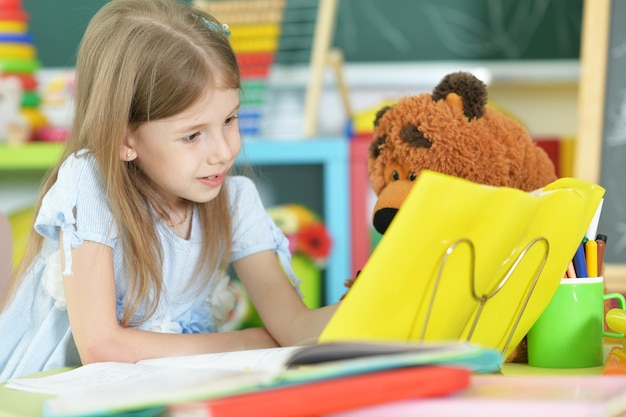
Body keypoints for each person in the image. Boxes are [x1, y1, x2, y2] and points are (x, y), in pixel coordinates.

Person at [0, 0, 337, 381]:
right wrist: (243, 342)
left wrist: (377, 295)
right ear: (125, 139)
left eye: (230, 119)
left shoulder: (236, 200)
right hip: (46, 390)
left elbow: (293, 326)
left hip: (153, 388)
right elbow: (101, 347)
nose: (225, 151)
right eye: (193, 135)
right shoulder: (90, 183)